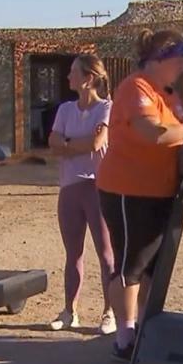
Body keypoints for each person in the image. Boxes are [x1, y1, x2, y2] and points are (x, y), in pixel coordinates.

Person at [96, 29, 183, 360]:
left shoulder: (168, 93)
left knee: (152, 267)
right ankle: (125, 336)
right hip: (129, 189)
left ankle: (144, 326)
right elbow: (154, 134)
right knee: (131, 264)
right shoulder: (136, 87)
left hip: (161, 189)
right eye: (180, 59)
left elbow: (178, 135)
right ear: (161, 59)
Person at [47, 54, 116, 334]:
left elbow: (97, 141)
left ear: (88, 79)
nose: (68, 77)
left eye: (73, 72)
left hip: (99, 187)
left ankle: (110, 312)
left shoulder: (107, 108)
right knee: (72, 253)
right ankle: (69, 311)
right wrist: (75, 144)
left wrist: (68, 143)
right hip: (70, 187)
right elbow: (52, 143)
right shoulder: (64, 109)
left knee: (106, 254)